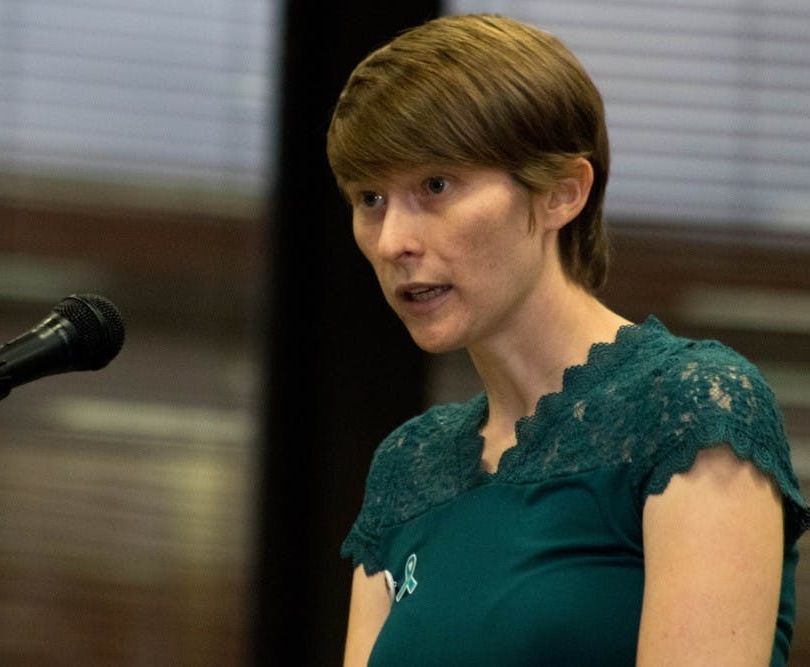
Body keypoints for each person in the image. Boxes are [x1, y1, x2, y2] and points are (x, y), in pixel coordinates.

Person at [326, 13, 809, 667]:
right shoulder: (406, 466)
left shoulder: (692, 408)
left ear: (562, 192)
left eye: (435, 186)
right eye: (370, 197)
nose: (393, 241)